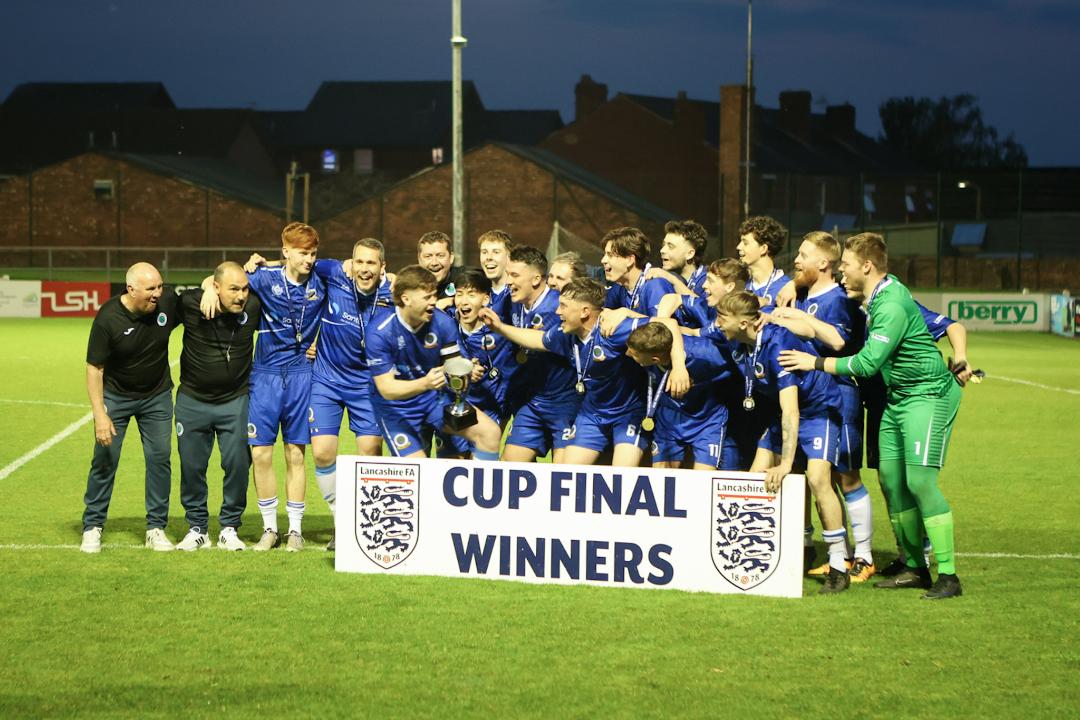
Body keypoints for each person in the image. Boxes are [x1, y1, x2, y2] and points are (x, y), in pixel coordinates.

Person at [779, 233, 964, 600]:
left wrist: (814, 362)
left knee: (921, 483)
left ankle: (948, 575)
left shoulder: (892, 303)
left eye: (846, 265)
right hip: (898, 399)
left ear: (866, 266)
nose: (841, 270)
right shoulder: (872, 298)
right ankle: (914, 566)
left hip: (927, 396)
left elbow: (866, 363)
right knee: (893, 482)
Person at [716, 290, 850, 593]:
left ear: (744, 323)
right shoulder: (741, 343)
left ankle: (839, 567)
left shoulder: (777, 345)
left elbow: (792, 410)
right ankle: (754, 557)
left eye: (723, 318)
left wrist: (786, 464)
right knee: (754, 477)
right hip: (784, 415)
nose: (718, 323)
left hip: (817, 411)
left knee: (817, 479)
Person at [206, 222, 327, 552]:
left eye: (314, 253)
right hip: (265, 374)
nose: (310, 259)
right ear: (286, 251)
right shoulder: (262, 279)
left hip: (303, 373)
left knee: (295, 454)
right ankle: (270, 528)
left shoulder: (322, 278)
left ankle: (296, 531)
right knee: (260, 453)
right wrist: (207, 286)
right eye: (303, 253)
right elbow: (225, 278)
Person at [483, 277, 688, 467]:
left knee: (622, 476)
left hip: (628, 413)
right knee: (567, 474)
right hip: (592, 413)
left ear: (584, 312)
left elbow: (669, 324)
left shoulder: (613, 328)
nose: (557, 312)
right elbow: (538, 339)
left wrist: (679, 368)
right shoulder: (565, 333)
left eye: (564, 306)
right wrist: (500, 327)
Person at [765, 232, 875, 581]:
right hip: (808, 396)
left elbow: (839, 341)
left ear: (823, 263)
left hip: (839, 394)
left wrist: (798, 318)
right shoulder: (801, 294)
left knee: (844, 475)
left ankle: (864, 555)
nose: (796, 261)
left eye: (803, 255)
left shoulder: (838, 299)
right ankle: (823, 551)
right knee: (813, 476)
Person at [81, 262, 182, 553]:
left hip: (157, 397)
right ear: (131, 289)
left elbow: (200, 295)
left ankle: (156, 528)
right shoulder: (108, 318)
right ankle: (92, 526)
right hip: (117, 397)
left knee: (160, 460)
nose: (158, 294)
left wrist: (209, 288)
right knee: (105, 459)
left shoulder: (166, 304)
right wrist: (100, 414)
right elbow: (94, 368)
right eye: (151, 289)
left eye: (160, 287)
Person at [365, 266, 503, 459]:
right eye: (427, 297)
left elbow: (453, 364)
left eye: (434, 296)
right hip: (397, 409)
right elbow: (386, 389)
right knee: (418, 467)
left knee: (490, 433)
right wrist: (426, 383)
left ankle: (481, 490)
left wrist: (462, 371)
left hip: (434, 401)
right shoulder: (379, 331)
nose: (434, 303)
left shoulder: (443, 323)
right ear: (406, 299)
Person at [310, 238, 393, 549]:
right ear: (351, 262)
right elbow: (297, 264)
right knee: (321, 453)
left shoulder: (393, 293)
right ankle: (341, 521)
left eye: (371, 263)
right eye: (359, 262)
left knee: (370, 453)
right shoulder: (334, 273)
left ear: (383, 267)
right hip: (327, 380)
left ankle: (371, 523)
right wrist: (211, 282)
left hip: (368, 386)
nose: (364, 269)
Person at [174, 262, 259, 552]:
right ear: (218, 288)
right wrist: (207, 287)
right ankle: (197, 528)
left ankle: (229, 528)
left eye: (245, 289)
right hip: (192, 401)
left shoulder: (254, 308)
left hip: (235, 401)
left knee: (237, 465)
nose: (241, 296)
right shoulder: (191, 304)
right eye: (233, 289)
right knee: (192, 466)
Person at [492, 245, 580, 463]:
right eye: (508, 274)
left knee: (564, 475)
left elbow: (540, 341)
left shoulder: (557, 308)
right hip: (533, 401)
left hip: (565, 402)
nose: (509, 281)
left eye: (514, 275)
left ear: (535, 279)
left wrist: (500, 327)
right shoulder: (512, 302)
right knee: (507, 467)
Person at [625, 322, 735, 470]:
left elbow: (741, 361)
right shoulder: (647, 345)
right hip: (668, 420)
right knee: (660, 480)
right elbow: (666, 322)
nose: (627, 354)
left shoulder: (704, 354)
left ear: (654, 360)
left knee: (703, 482)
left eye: (634, 355)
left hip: (706, 422)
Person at [601, 227, 675, 317]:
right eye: (604, 254)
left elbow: (662, 328)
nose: (603, 260)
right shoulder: (620, 286)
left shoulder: (655, 286)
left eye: (610, 255)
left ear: (629, 260)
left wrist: (628, 315)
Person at [737, 216, 790, 310]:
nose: (738, 247)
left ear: (763, 249)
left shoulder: (785, 288)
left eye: (745, 243)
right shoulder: (741, 284)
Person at [658, 219, 709, 295]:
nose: (662, 250)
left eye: (671, 246)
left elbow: (702, 306)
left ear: (690, 254)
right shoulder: (664, 279)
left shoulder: (708, 281)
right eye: (663, 245)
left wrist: (673, 281)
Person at [477, 229, 514, 320]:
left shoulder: (517, 294)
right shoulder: (478, 292)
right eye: (484, 252)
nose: (489, 258)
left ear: (509, 256)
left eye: (496, 252)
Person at [418, 231, 456, 306]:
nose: (434, 263)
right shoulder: (409, 284)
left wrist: (455, 300)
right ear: (419, 259)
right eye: (428, 256)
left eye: (440, 256)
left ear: (451, 258)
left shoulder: (465, 278)